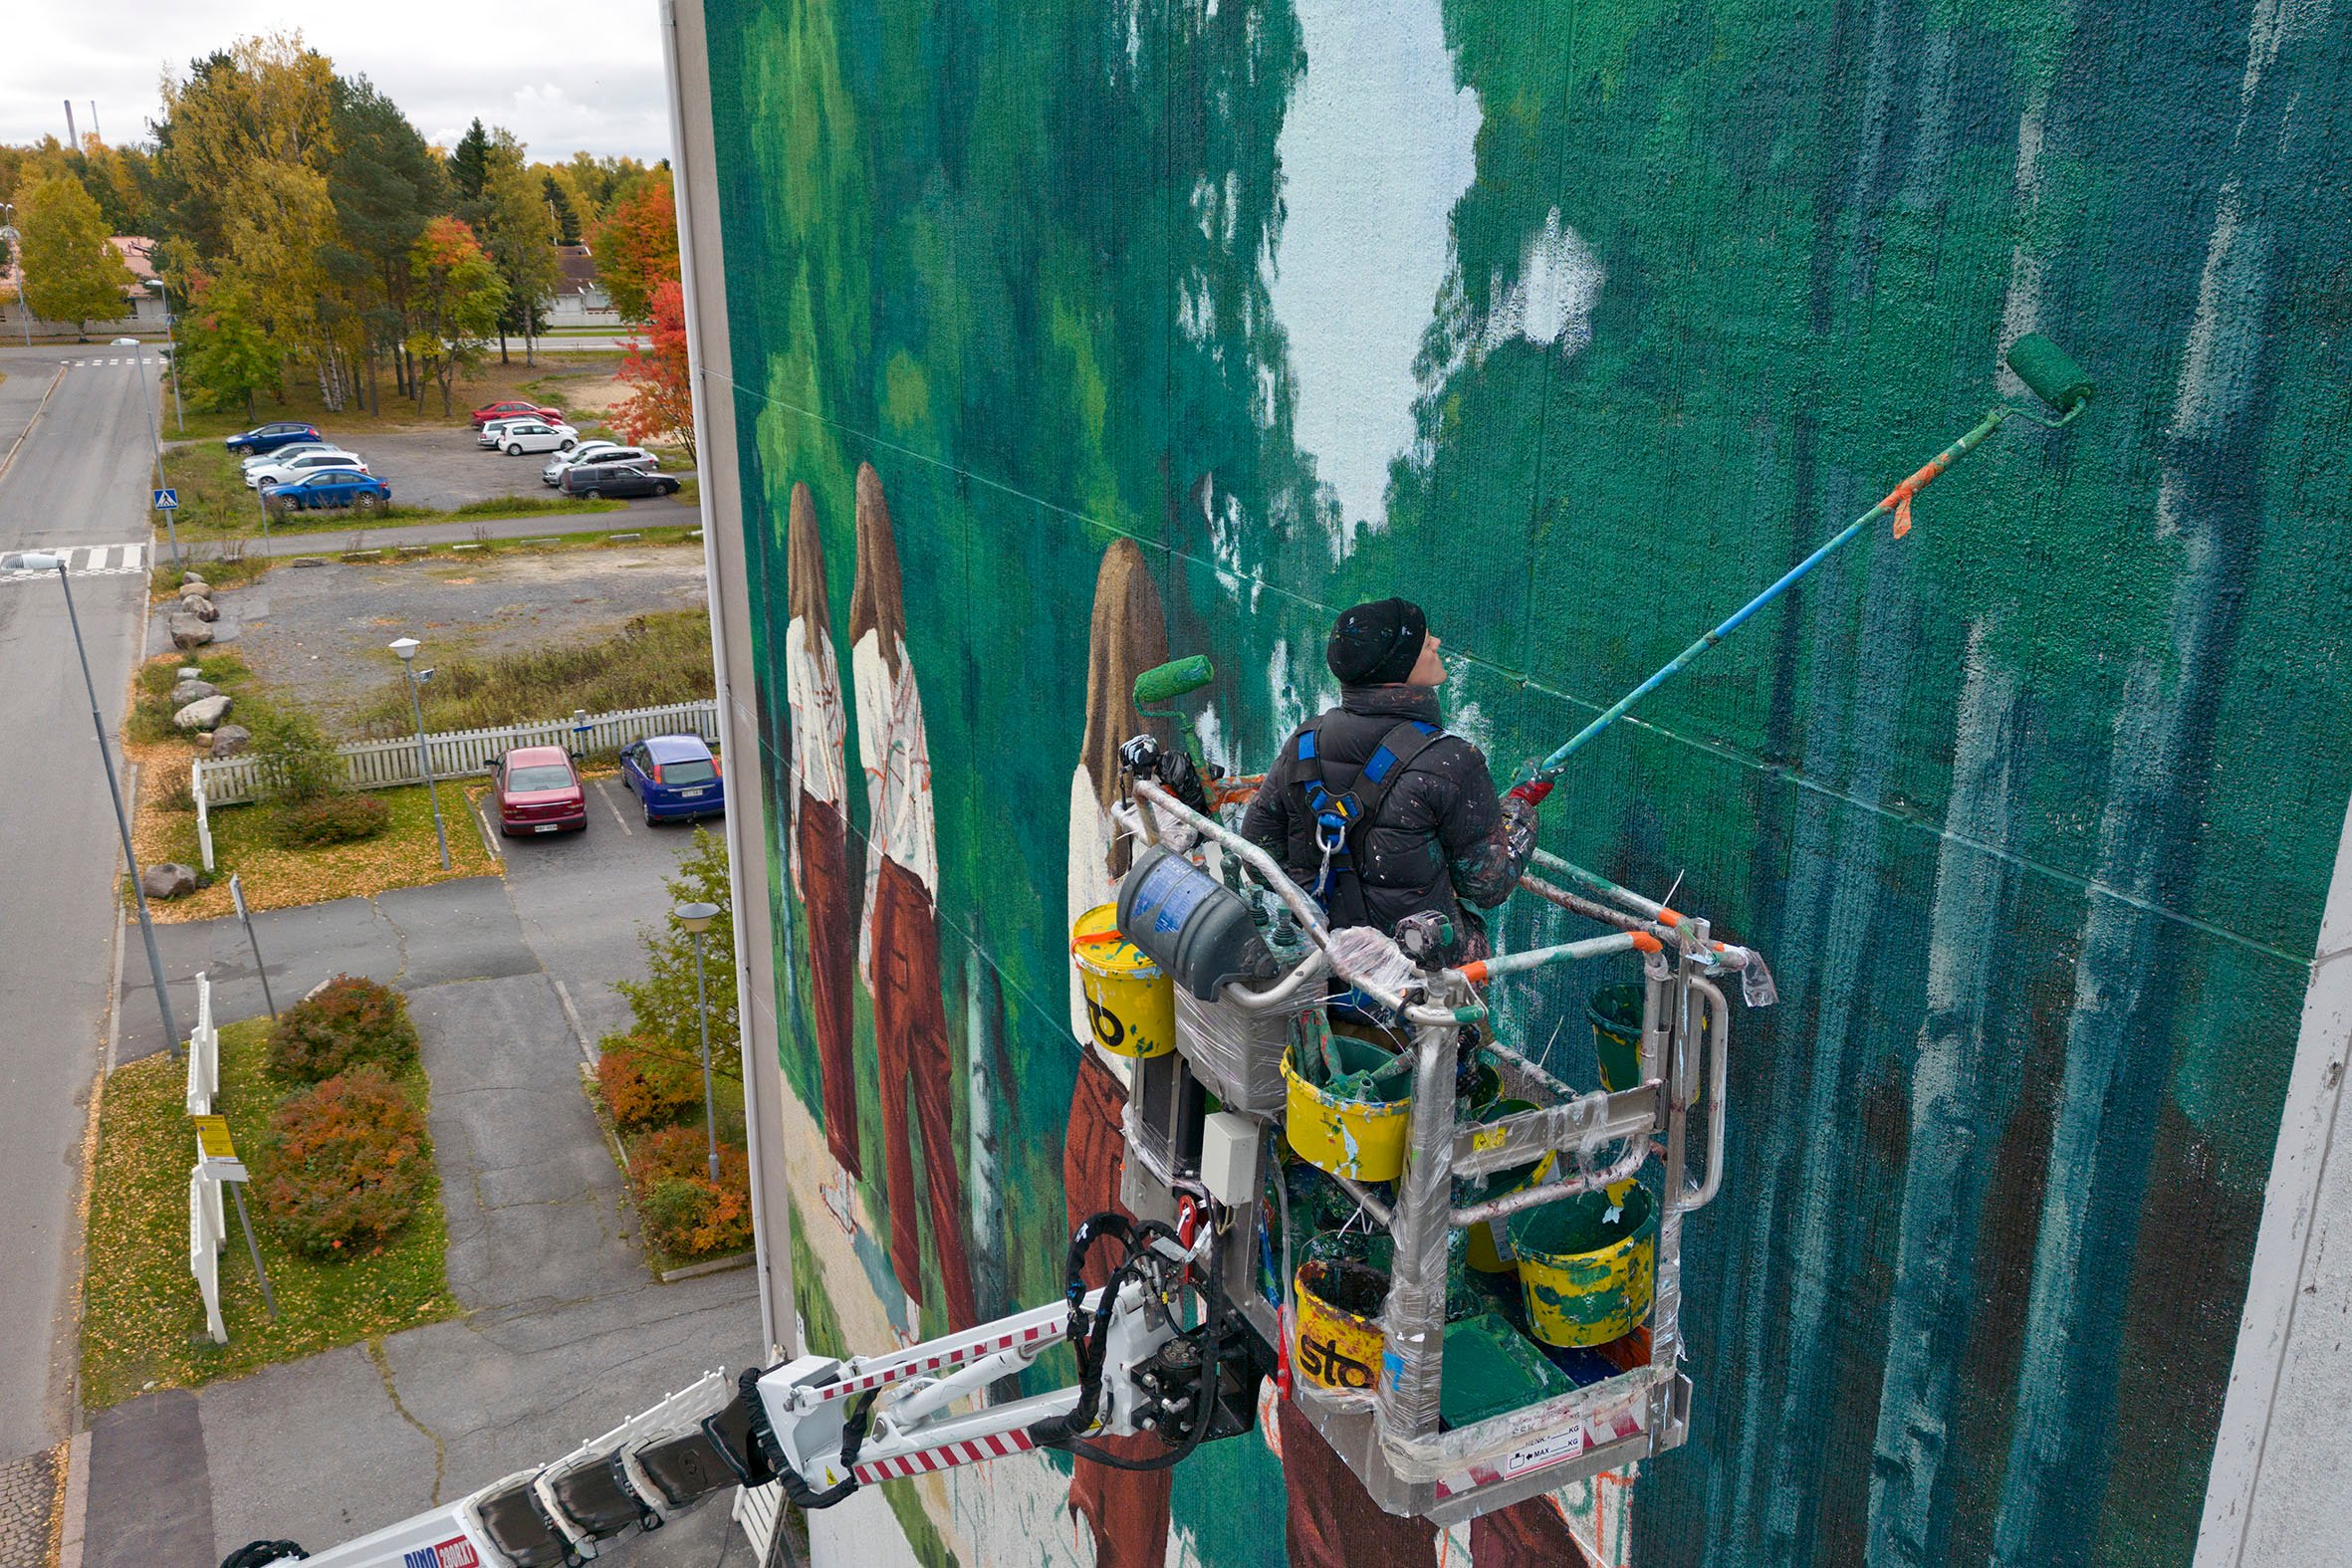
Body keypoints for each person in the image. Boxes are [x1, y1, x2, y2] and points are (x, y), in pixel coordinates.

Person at [1242, 597, 1548, 966]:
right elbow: (1486, 883)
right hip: (1416, 975)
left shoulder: (1304, 744)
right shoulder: (1452, 760)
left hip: (1321, 961)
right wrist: (1520, 806)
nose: (1436, 644)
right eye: (1424, 643)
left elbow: (1258, 859)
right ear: (1396, 668)